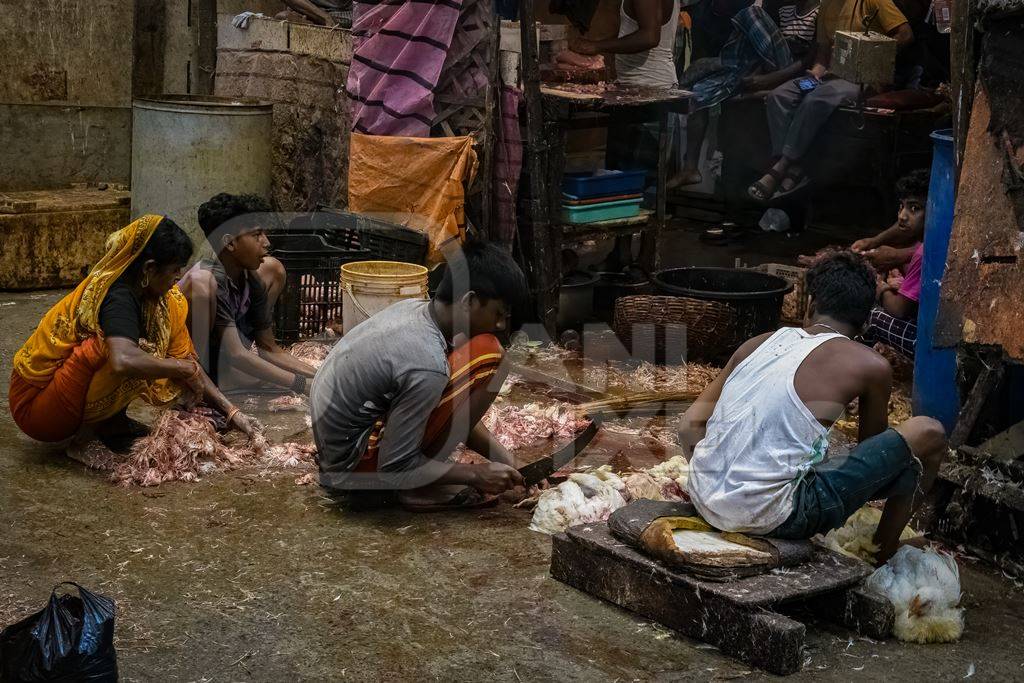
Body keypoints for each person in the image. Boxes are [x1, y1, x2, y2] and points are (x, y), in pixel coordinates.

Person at [679, 251, 947, 563]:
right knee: (930, 432)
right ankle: (883, 549)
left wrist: (719, 486)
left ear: (810, 306)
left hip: (701, 497)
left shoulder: (758, 343)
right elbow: (876, 458)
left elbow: (688, 427)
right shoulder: (872, 365)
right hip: (774, 516)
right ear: (865, 321)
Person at [310, 240, 529, 510]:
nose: (500, 325)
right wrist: (476, 474)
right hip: (351, 467)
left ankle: (419, 477)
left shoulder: (418, 310)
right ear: (469, 301)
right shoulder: (427, 362)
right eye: (498, 314)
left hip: (339, 447)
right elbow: (393, 468)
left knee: (481, 354)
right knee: (491, 358)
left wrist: (509, 460)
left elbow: (453, 410)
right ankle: (414, 490)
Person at [9, 216, 256, 452]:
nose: (179, 277)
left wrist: (232, 412)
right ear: (149, 269)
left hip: (64, 393)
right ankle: (84, 440)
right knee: (125, 352)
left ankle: (111, 424)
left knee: (151, 354)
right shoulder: (116, 296)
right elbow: (123, 360)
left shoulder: (165, 300)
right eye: (173, 270)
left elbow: (188, 360)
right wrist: (179, 369)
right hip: (37, 407)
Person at [747, 0, 914, 201]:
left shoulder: (872, 1)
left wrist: (874, 54)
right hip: (830, 78)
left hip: (864, 80)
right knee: (779, 96)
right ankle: (795, 166)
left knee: (816, 99)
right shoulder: (827, 6)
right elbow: (823, 53)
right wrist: (815, 73)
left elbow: (906, 35)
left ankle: (782, 166)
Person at [671, 0, 821, 188]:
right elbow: (766, 49)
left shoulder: (820, 13)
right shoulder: (783, 10)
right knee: (699, 91)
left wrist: (770, 79)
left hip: (792, 73)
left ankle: (727, 64)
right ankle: (690, 167)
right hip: (770, 68)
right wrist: (756, 76)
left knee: (750, 14)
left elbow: (811, 62)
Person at [178, 193, 318, 396]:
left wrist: (320, 376)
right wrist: (301, 384)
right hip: (194, 360)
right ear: (230, 243)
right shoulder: (206, 282)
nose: (267, 242)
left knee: (273, 267)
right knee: (259, 378)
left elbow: (269, 348)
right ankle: (210, 383)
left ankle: (234, 373)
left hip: (228, 352)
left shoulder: (251, 279)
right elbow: (236, 353)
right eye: (256, 235)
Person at [277, 0, 351, 27]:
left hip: (346, 13)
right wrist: (324, 17)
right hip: (315, 11)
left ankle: (311, 22)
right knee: (284, 16)